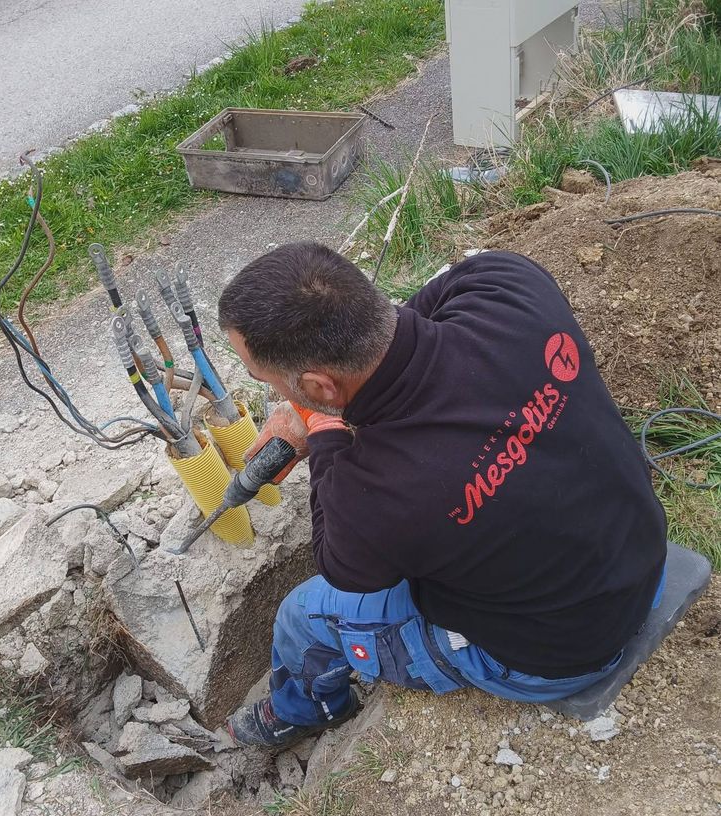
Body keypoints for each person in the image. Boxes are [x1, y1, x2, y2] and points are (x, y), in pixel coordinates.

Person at [217, 242, 667, 748]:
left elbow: (342, 567)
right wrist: (321, 412)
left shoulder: (376, 501)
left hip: (558, 653)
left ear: (320, 386)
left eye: (270, 381)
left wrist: (320, 428)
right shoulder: (505, 285)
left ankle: (305, 709)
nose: (276, 394)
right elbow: (403, 327)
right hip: (642, 555)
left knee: (304, 616)